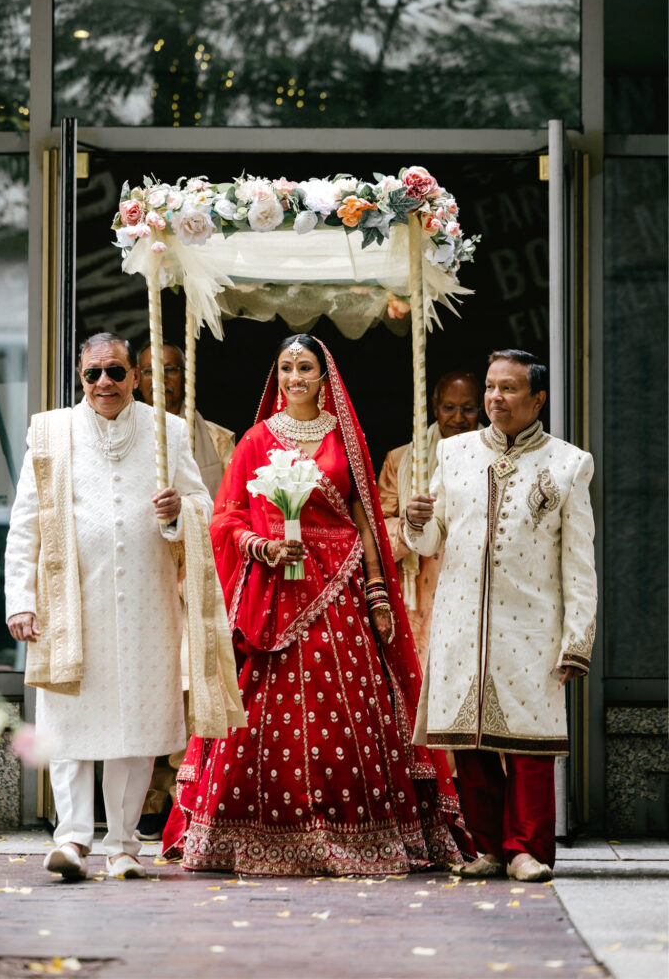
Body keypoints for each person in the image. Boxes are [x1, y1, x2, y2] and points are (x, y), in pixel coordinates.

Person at [161, 334, 472, 876]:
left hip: (341, 590)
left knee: (350, 713)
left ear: (325, 379)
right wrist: (263, 546)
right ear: (276, 376)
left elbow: (364, 518)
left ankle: (364, 832)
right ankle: (244, 832)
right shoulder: (257, 440)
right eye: (285, 368)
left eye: (305, 367)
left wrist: (377, 589)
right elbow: (225, 518)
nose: (295, 377)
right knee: (261, 710)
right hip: (273, 590)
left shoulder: (345, 438)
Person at [4, 332, 214, 880]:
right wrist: (21, 599)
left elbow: (202, 510)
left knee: (135, 727)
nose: (104, 383)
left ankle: (123, 844)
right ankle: (72, 840)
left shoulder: (168, 431)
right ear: (80, 377)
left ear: (136, 377)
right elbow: (25, 523)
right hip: (69, 604)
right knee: (68, 721)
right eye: (93, 374)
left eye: (116, 372)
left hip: (147, 604)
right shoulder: (51, 431)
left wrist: (176, 513)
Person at [403, 349, 597, 882]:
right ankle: (488, 847)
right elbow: (430, 537)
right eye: (491, 387)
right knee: (470, 744)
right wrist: (415, 521)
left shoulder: (568, 462)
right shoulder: (455, 452)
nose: (495, 398)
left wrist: (576, 639)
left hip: (533, 626)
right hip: (462, 621)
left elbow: (579, 562)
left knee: (530, 747)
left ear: (537, 398)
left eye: (508, 389)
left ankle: (526, 850)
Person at [135, 342, 236, 841]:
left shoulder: (218, 440)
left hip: (197, 574)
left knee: (188, 684)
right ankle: (147, 798)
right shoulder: (124, 433)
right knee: (145, 680)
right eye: (153, 371)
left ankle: (183, 795)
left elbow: (234, 509)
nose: (164, 380)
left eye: (173, 370)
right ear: (137, 377)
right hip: (141, 575)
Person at [378, 371, 482, 666]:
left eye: (468, 408)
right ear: (435, 407)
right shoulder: (401, 460)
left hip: (476, 585)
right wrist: (411, 525)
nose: (458, 418)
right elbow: (375, 534)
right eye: (449, 408)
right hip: (420, 597)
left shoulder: (498, 458)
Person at [137, 343, 235, 498]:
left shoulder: (218, 438)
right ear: (137, 380)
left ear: (185, 377)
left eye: (169, 369)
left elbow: (235, 499)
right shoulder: (123, 438)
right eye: (149, 371)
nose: (160, 378)